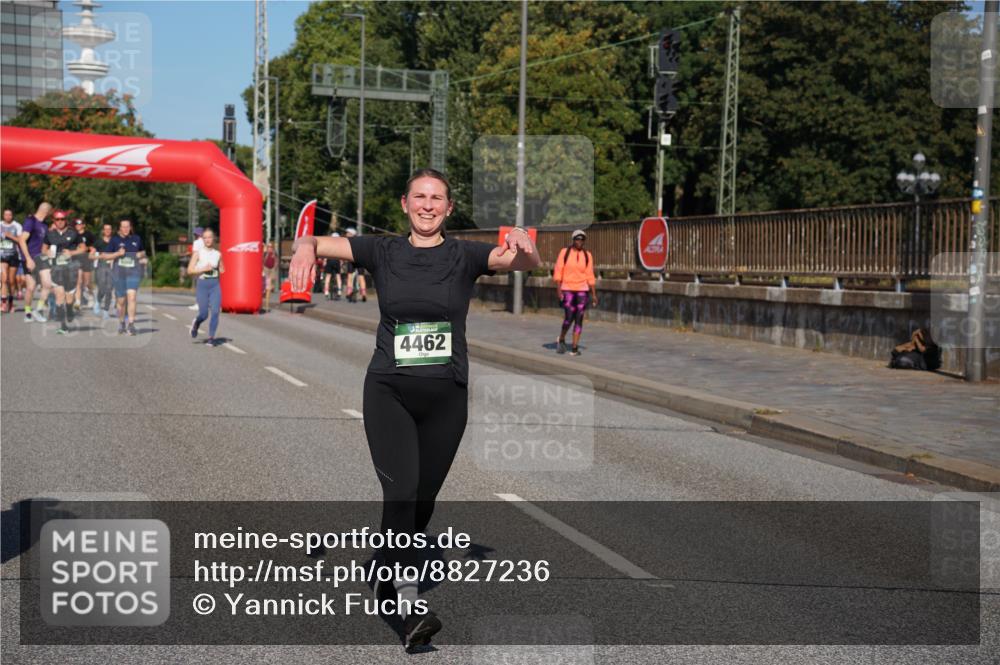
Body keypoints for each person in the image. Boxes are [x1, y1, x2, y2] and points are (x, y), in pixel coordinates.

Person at [289, 168, 540, 651]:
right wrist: (304, 247)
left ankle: (384, 575)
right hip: (390, 393)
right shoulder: (382, 251)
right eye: (420, 197)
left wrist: (526, 243)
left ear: (448, 208)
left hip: (447, 398)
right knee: (401, 494)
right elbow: (317, 242)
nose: (428, 205)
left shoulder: (464, 254)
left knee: (421, 505)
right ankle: (406, 608)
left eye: (437, 199)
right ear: (404, 204)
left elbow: (523, 261)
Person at [95, 219, 146, 336]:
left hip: (133, 272)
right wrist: (117, 254)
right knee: (121, 301)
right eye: (123, 227)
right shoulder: (115, 240)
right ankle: (122, 322)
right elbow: (105, 256)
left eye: (128, 226)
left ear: (130, 227)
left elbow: (143, 252)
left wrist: (139, 254)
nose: (126, 229)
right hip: (119, 273)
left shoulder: (136, 239)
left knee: (132, 297)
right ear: (120, 228)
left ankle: (131, 324)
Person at [553, 229, 598, 356]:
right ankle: (561, 338)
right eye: (577, 239)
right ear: (573, 240)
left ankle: (574, 348)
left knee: (579, 318)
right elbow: (558, 270)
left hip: (582, 290)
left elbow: (590, 275)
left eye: (582, 239)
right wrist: (558, 288)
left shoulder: (587, 255)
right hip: (567, 288)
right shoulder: (564, 252)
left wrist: (594, 294)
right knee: (569, 316)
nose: (580, 241)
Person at [42, 212, 87, 334]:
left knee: (69, 298)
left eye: (62, 219)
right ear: (54, 221)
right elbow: (44, 248)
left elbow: (83, 248)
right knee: (59, 295)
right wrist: (47, 253)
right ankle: (63, 326)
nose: (60, 221)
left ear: (66, 220)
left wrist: (72, 253)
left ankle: (70, 309)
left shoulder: (73, 233)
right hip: (56, 269)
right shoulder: (50, 234)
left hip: (71, 269)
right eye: (57, 219)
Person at [187, 228, 224, 345]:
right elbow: (190, 270)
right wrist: (203, 269)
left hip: (215, 285)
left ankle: (211, 338)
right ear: (203, 239)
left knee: (215, 311)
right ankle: (196, 323)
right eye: (205, 237)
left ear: (214, 239)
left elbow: (222, 268)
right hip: (202, 285)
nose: (208, 239)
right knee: (204, 314)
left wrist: (222, 269)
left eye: (210, 237)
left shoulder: (218, 254)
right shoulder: (198, 253)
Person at [17, 202, 53, 323]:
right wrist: (28, 259)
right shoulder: (30, 221)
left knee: (47, 284)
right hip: (29, 258)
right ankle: (28, 313)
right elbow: (21, 240)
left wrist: (48, 253)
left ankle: (38, 310)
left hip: (41, 258)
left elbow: (44, 244)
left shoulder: (45, 225)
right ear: (47, 212)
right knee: (31, 287)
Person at [90, 222, 115, 318]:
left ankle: (106, 310)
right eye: (106, 229)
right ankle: (98, 301)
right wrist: (101, 256)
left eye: (109, 229)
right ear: (103, 231)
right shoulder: (98, 242)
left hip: (112, 266)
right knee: (102, 288)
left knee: (109, 289)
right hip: (101, 265)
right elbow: (90, 256)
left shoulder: (115, 241)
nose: (108, 231)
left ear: (111, 231)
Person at [1, 209, 23, 313]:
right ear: (3, 215)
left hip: (14, 255)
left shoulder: (17, 226)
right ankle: (3, 302)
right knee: (4, 279)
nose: (8, 216)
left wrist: (10, 236)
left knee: (12, 281)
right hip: (2, 255)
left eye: (10, 214)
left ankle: (10, 302)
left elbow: (20, 240)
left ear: (12, 216)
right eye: (6, 214)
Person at [73, 218, 95, 310]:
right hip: (76, 260)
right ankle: (78, 301)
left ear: (84, 225)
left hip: (86, 260)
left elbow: (94, 247)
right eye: (76, 224)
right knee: (78, 281)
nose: (78, 226)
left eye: (80, 224)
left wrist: (91, 252)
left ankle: (91, 296)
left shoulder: (88, 234)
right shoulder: (72, 235)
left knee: (87, 282)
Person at [341, 227, 367, 303]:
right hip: (360, 260)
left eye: (348, 233)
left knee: (350, 276)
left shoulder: (348, 241)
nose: (346, 234)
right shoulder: (359, 241)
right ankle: (363, 294)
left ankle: (349, 292)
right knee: (361, 277)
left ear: (352, 234)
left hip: (352, 260)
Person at [188, 226, 205, 310]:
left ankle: (198, 304)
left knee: (199, 285)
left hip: (199, 265)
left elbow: (195, 254)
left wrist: (192, 266)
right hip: (207, 265)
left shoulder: (196, 242)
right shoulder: (206, 242)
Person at [322, 232, 342, 300]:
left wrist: (324, 261)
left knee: (328, 276)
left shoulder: (329, 244)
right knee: (338, 276)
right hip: (337, 261)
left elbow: (326, 253)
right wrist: (341, 262)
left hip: (329, 261)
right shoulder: (340, 245)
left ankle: (326, 291)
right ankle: (339, 291)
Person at [262, 241, 277, 311]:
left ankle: (267, 305)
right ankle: (264, 302)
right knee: (265, 287)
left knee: (269, 288)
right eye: (268, 247)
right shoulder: (265, 254)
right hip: (266, 269)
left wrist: (275, 267)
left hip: (272, 270)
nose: (270, 248)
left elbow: (276, 261)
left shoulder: (274, 254)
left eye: (271, 247)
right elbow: (262, 261)